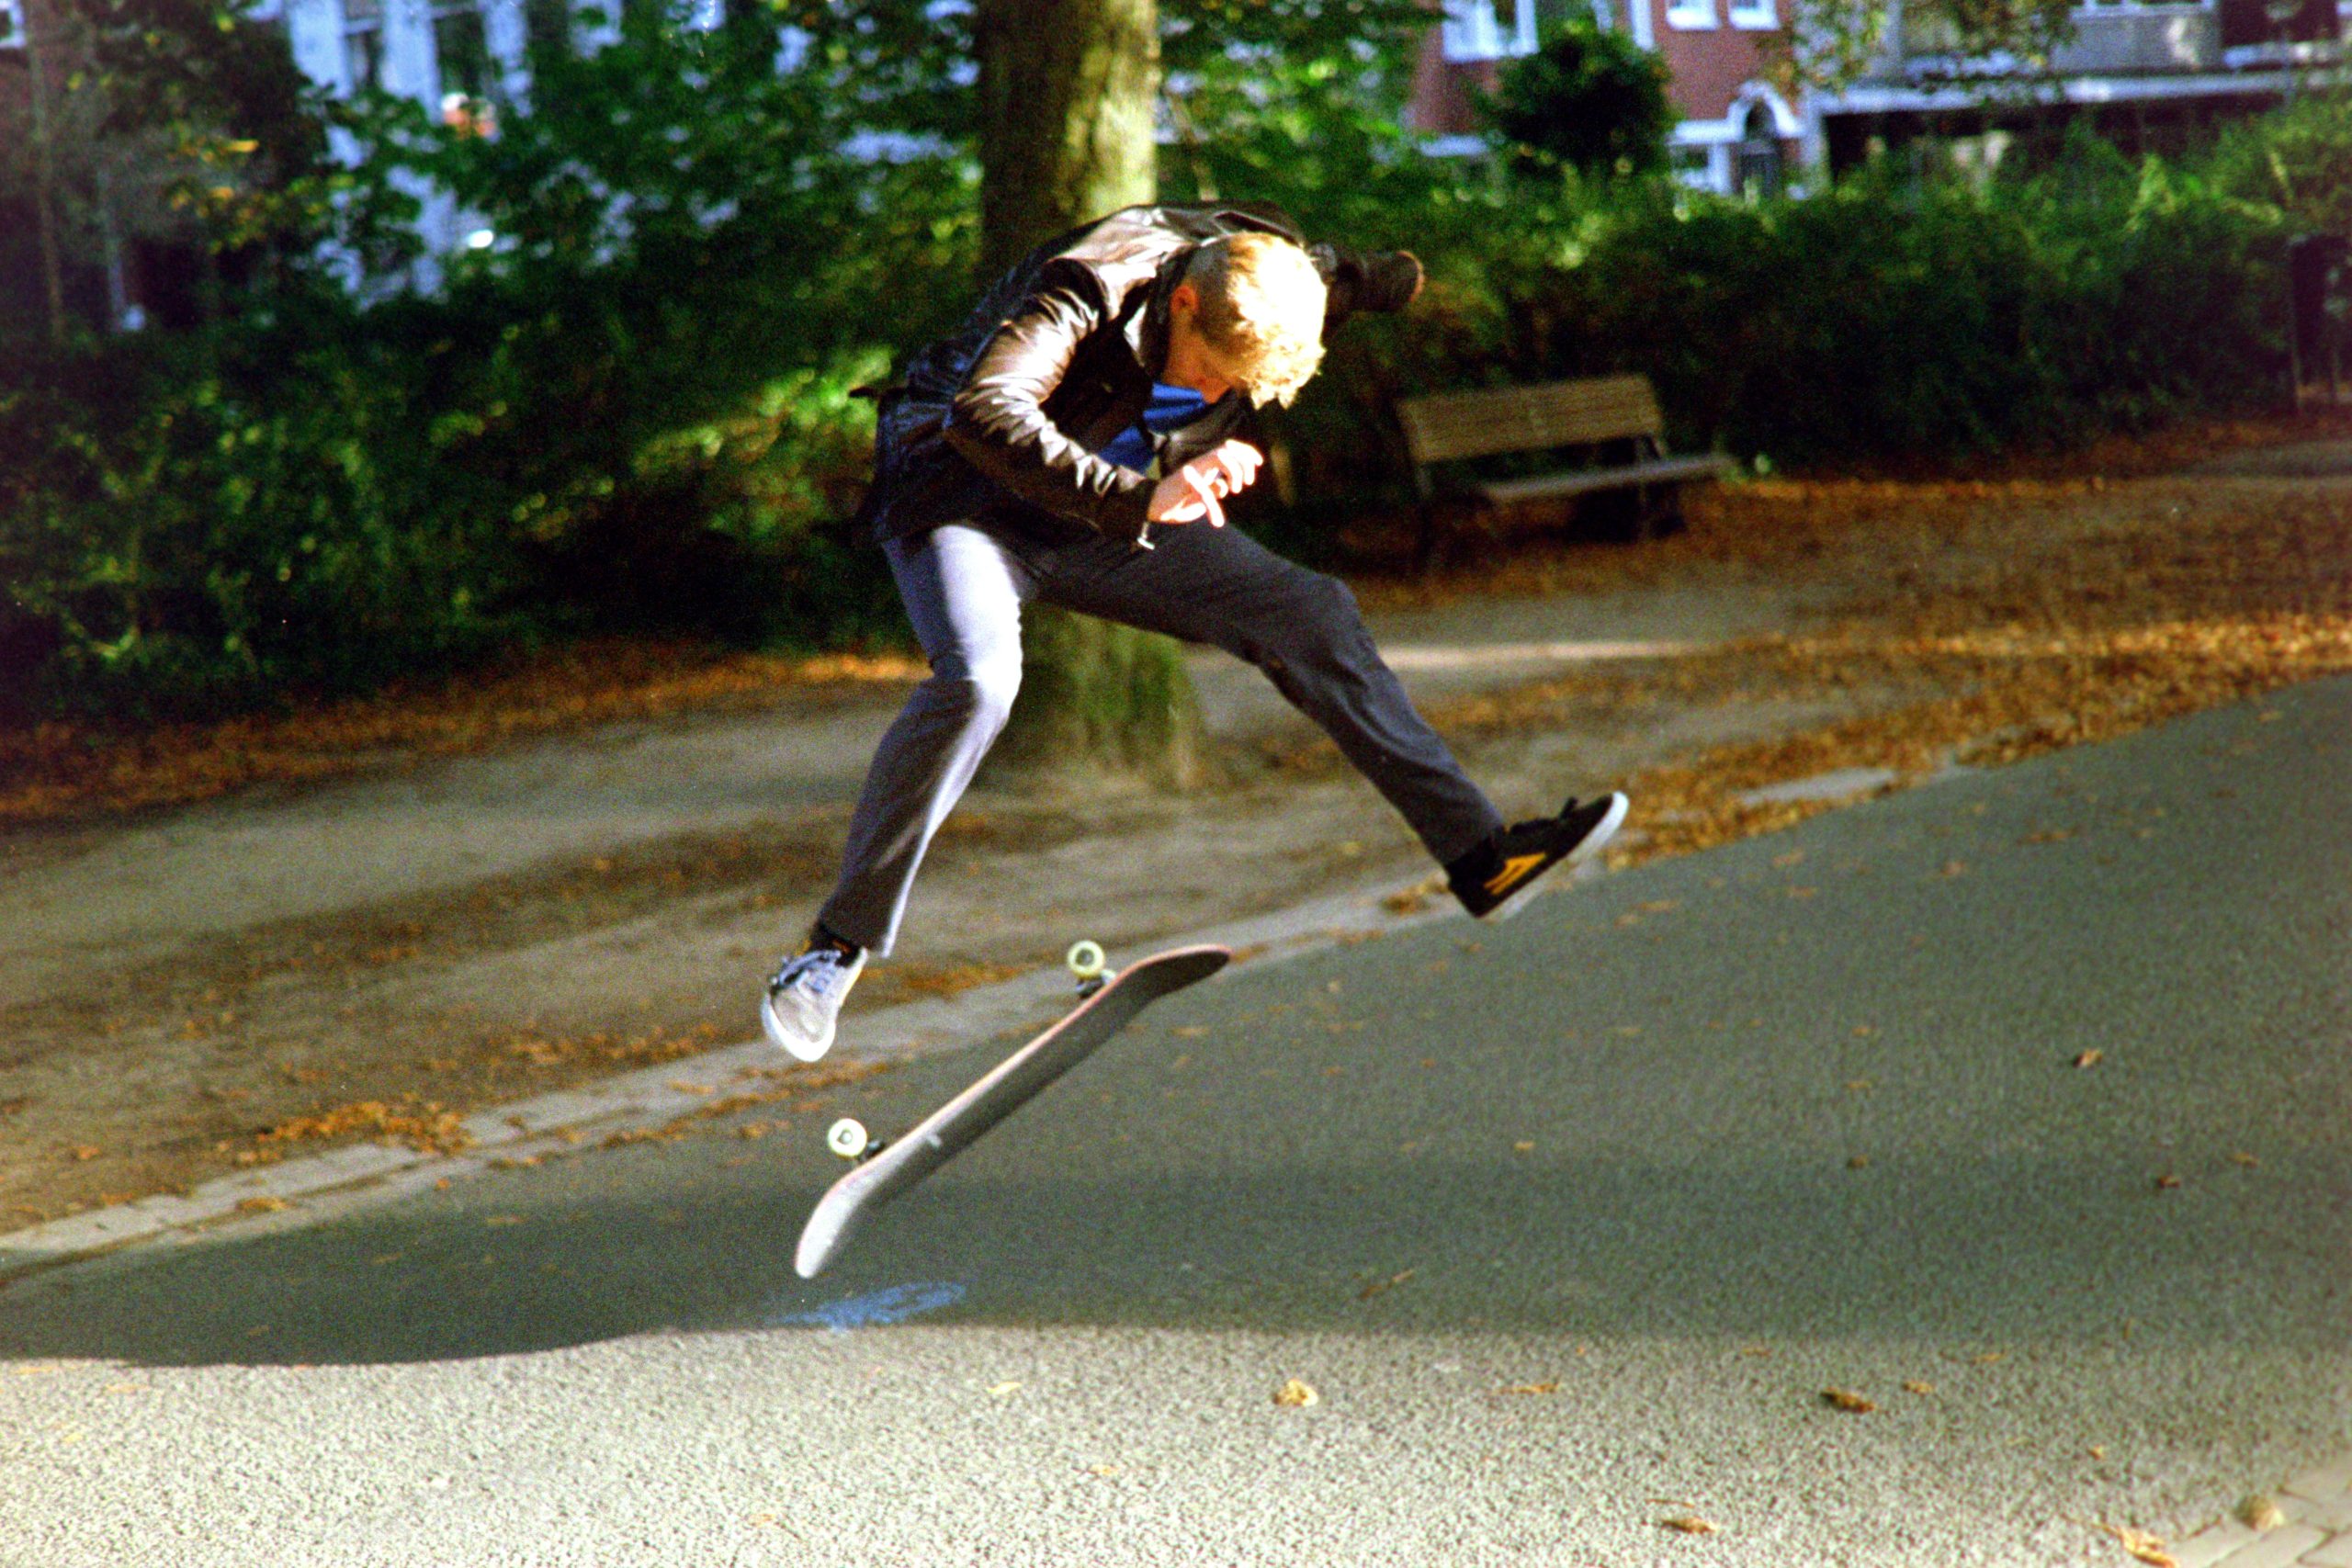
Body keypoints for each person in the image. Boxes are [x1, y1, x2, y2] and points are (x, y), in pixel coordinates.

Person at [761, 201, 1628, 1063]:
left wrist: (1398, 277)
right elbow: (984, 409)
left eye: (1233, 392)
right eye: (1212, 374)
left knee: (1310, 610)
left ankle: (1481, 857)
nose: (1214, 399)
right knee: (980, 681)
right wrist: (1140, 497)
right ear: (1181, 306)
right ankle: (831, 951)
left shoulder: (1275, 275)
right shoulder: (1090, 286)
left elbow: (1344, 273)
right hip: (964, 500)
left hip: (1096, 517)